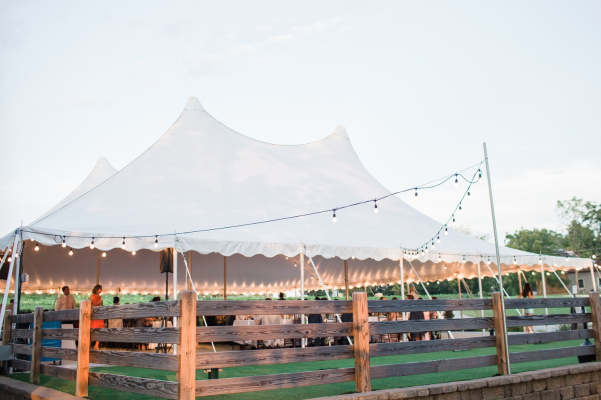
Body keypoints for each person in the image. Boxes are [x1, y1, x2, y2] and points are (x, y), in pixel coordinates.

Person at [90, 285, 105, 350]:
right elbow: (89, 306)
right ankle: (89, 344)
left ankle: (96, 345)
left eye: (101, 289)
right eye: (100, 289)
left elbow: (100, 305)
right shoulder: (92, 297)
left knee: (100, 329)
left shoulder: (100, 297)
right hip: (94, 316)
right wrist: (97, 303)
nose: (101, 290)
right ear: (97, 289)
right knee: (92, 330)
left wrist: (101, 304)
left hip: (99, 315)